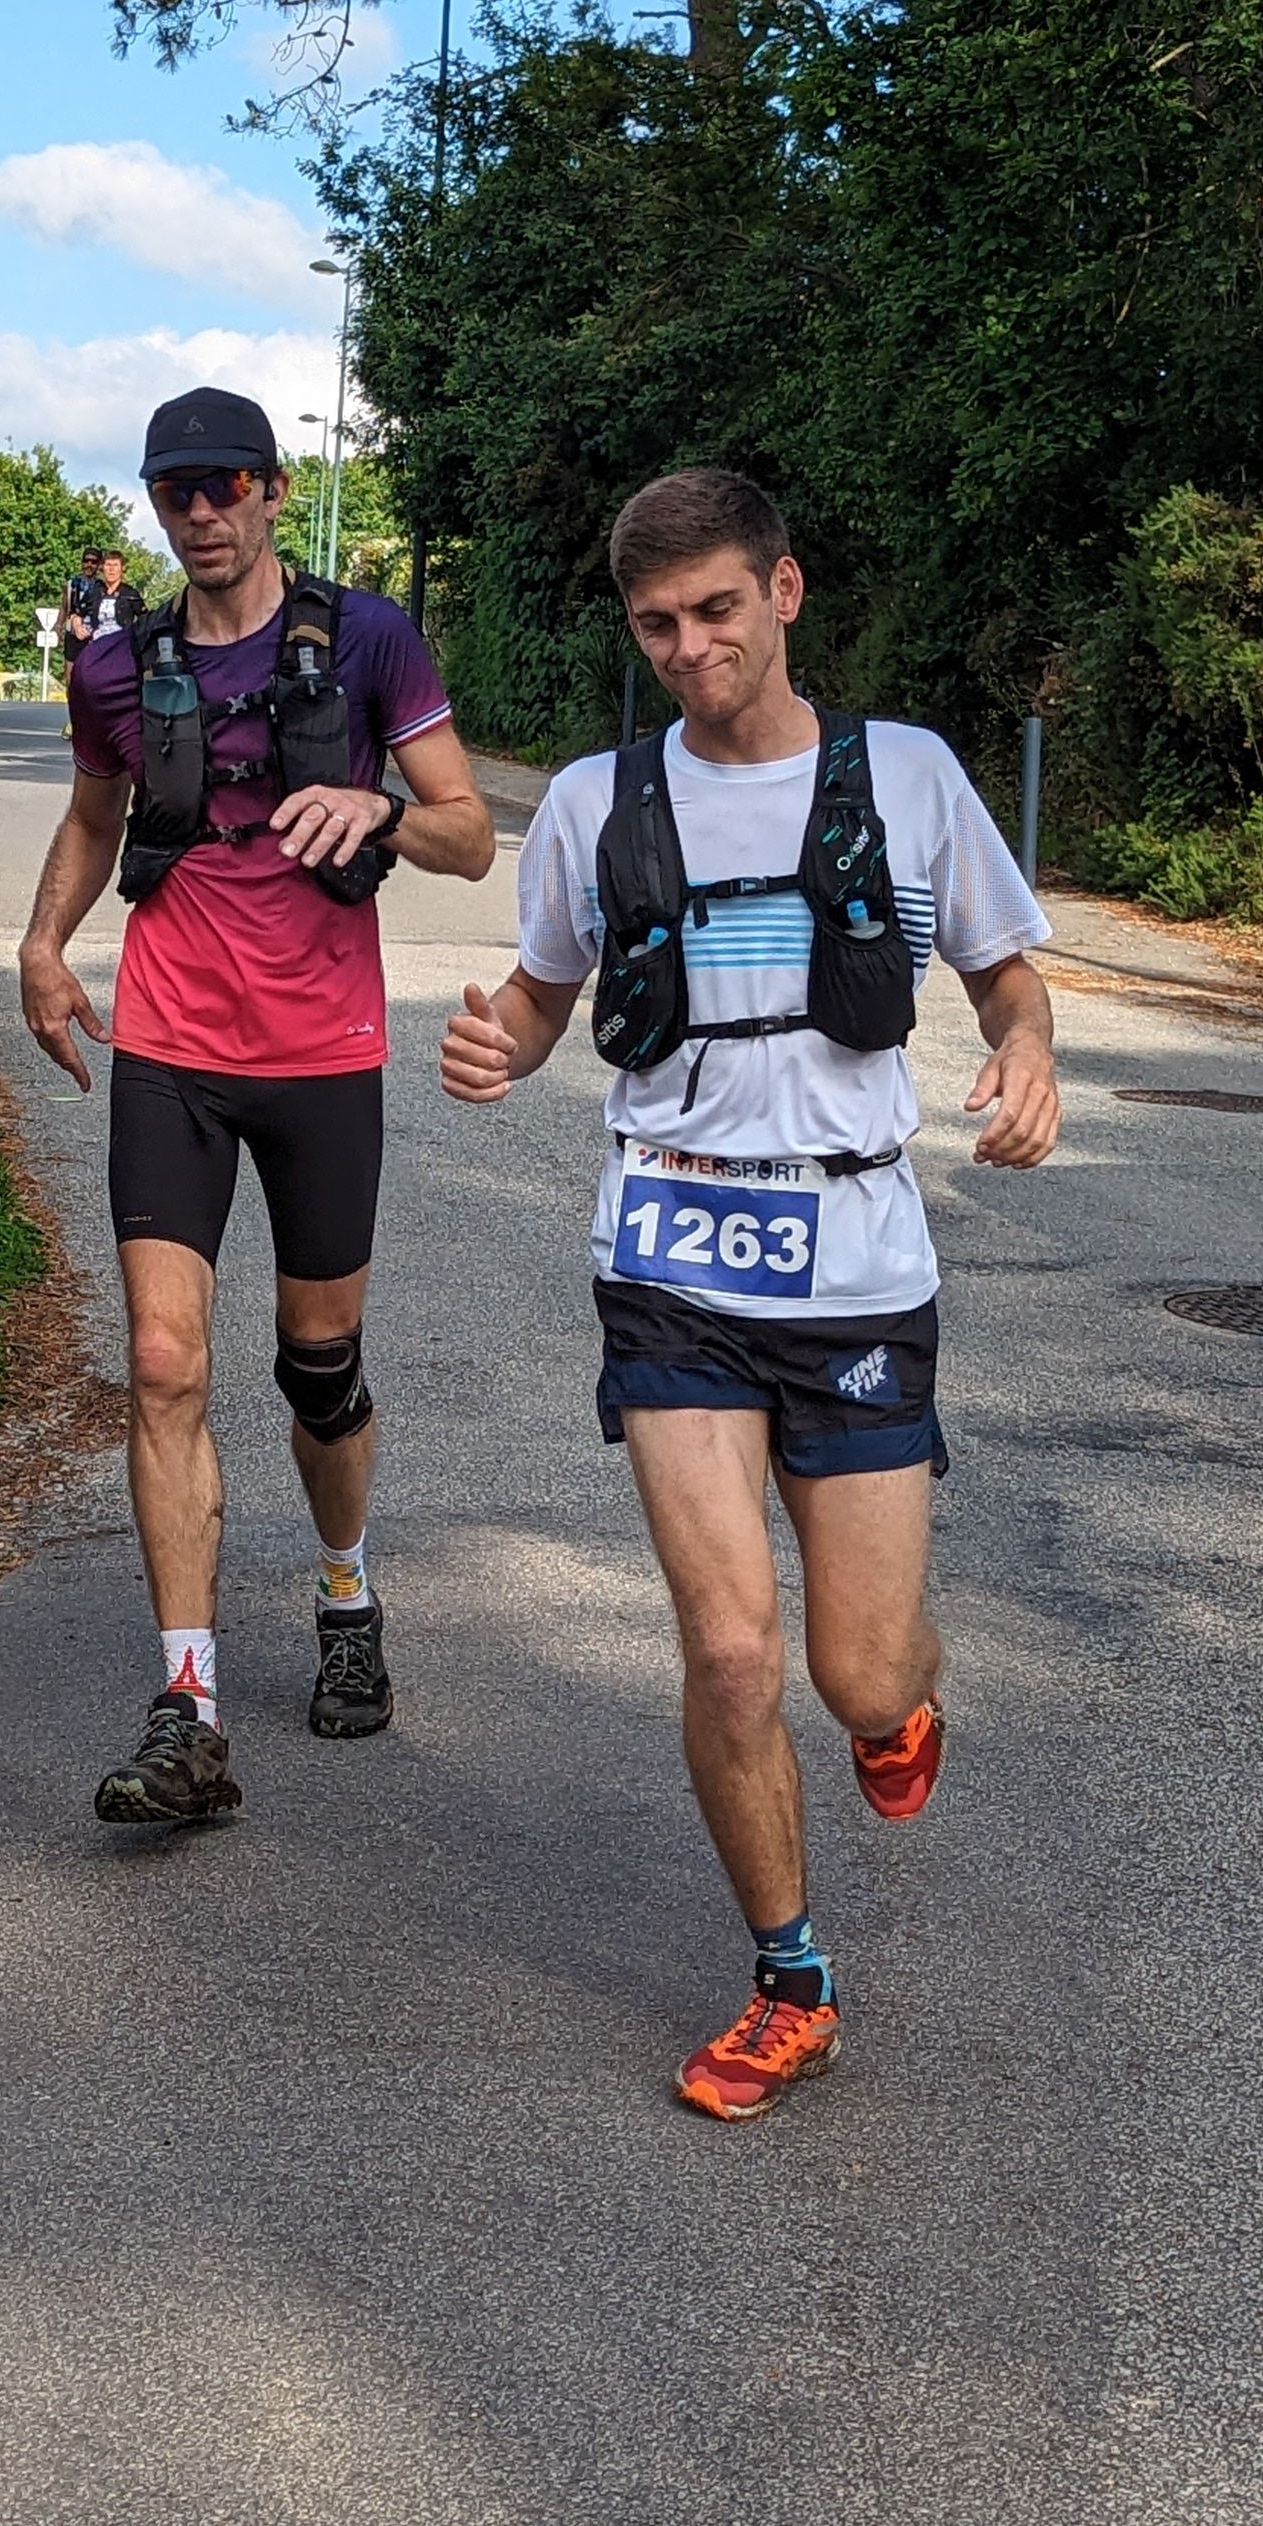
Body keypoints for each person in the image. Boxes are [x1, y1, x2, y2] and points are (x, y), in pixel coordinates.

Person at [441, 467, 1060, 2120]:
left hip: (855, 1263)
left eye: (716, 608)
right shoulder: (595, 800)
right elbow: (540, 995)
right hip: (668, 1255)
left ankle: (897, 1703)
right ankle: (790, 1982)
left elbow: (1008, 977)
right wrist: (493, 1046)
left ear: (781, 592)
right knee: (728, 1650)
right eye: (656, 623)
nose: (689, 648)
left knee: (859, 1673)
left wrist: (1025, 1052)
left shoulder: (907, 776)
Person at [19, 385, 493, 1823]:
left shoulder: (370, 639)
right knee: (163, 1361)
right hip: (173, 1045)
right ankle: (188, 1706)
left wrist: (384, 811)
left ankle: (346, 1595)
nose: (203, 511)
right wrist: (43, 946)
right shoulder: (115, 666)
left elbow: (471, 833)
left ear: (275, 490)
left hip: (324, 1052)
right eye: (177, 491)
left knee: (316, 1364)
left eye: (227, 484)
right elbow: (95, 817)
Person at [61, 548, 145, 654]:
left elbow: (145, 619)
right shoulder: (93, 593)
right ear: (102, 568)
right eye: (108, 565)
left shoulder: (130, 594)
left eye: (115, 565)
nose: (111, 569)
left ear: (122, 568)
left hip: (121, 650)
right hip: (96, 649)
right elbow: (76, 614)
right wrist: (77, 627)